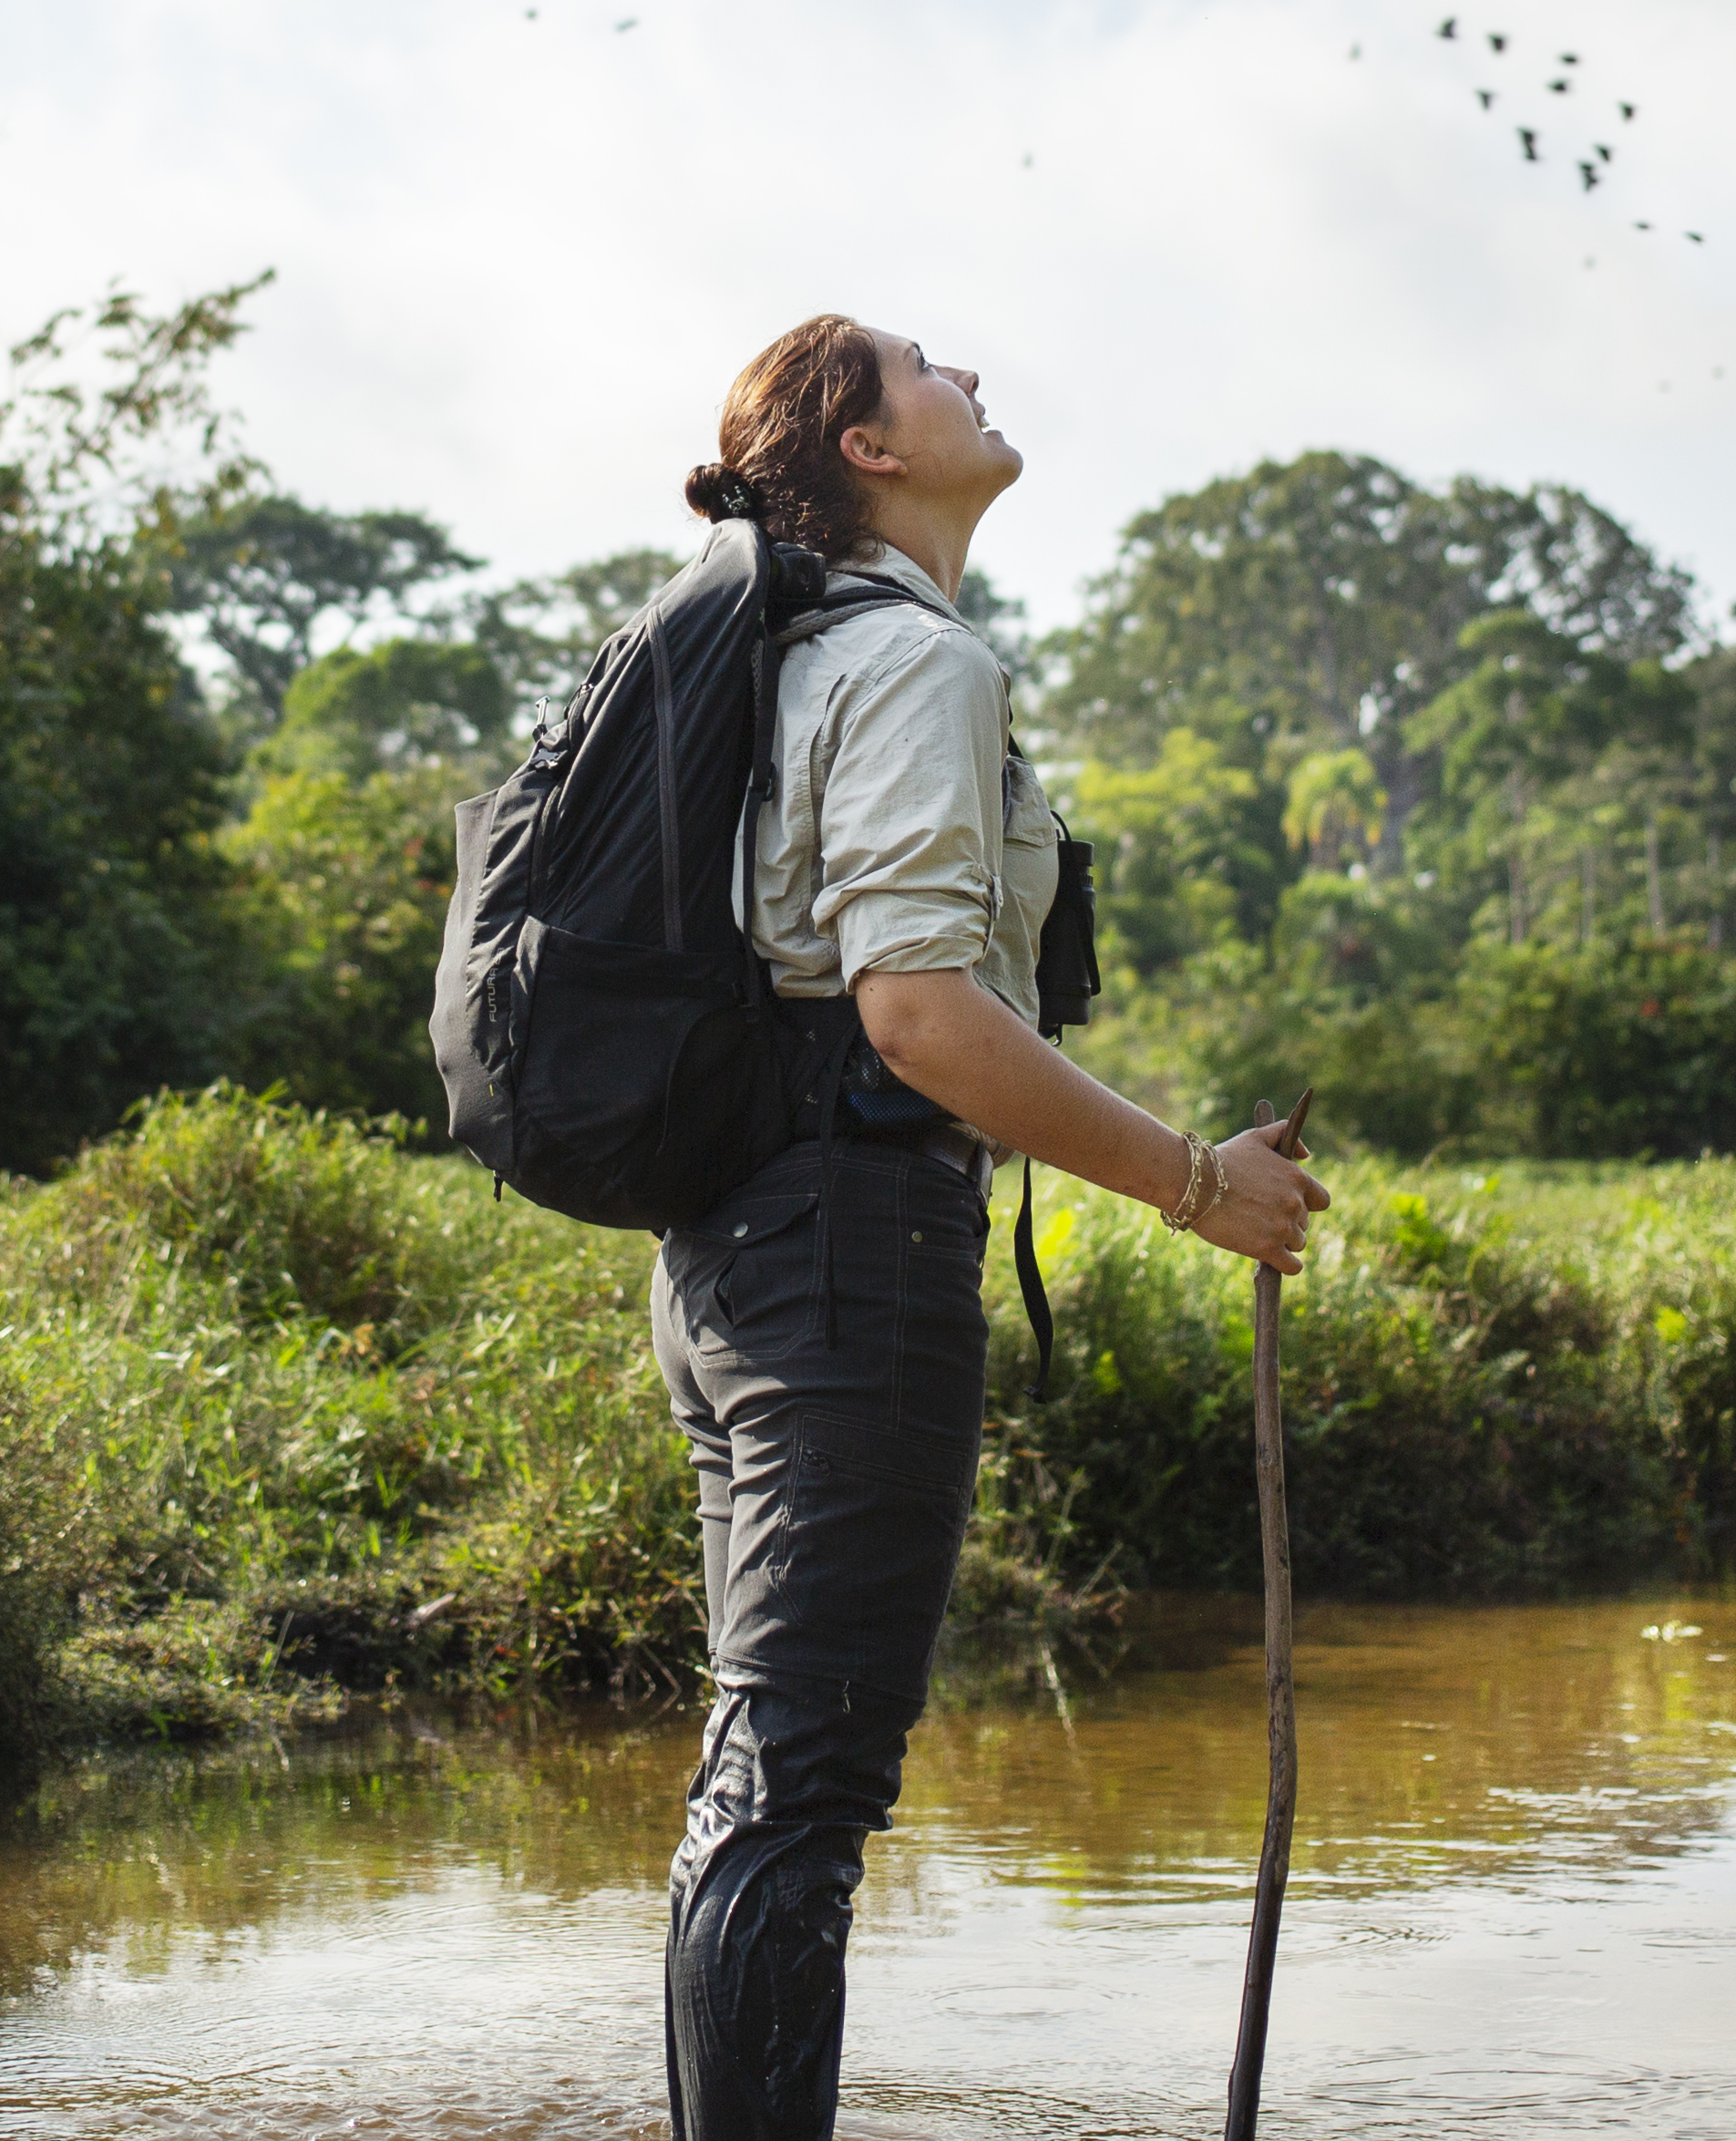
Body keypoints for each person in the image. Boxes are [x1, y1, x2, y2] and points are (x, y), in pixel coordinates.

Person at [656, 313, 1328, 2141]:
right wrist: (1194, 1182)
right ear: (865, 447)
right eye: (927, 366)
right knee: (795, 1792)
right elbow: (918, 1015)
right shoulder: (910, 666)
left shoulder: (786, 660)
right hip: (843, 1259)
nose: (972, 375)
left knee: (763, 1776)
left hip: (730, 1254)